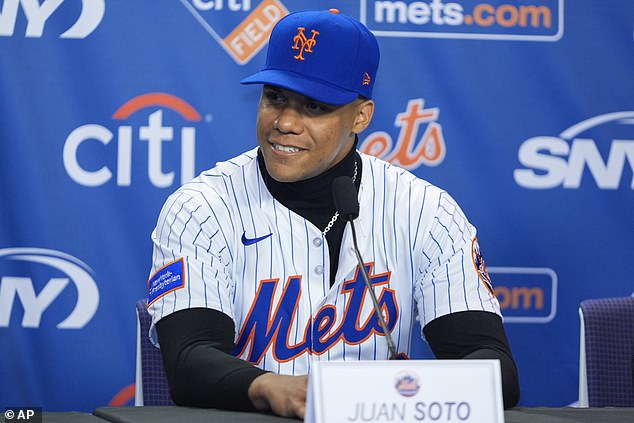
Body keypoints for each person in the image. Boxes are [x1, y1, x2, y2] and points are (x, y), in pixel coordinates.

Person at [146, 9, 520, 419]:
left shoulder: (425, 211)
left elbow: (494, 368)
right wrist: (272, 387)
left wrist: (405, 394)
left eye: (314, 106)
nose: (285, 122)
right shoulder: (201, 208)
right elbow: (189, 360)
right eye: (275, 97)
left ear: (361, 115)